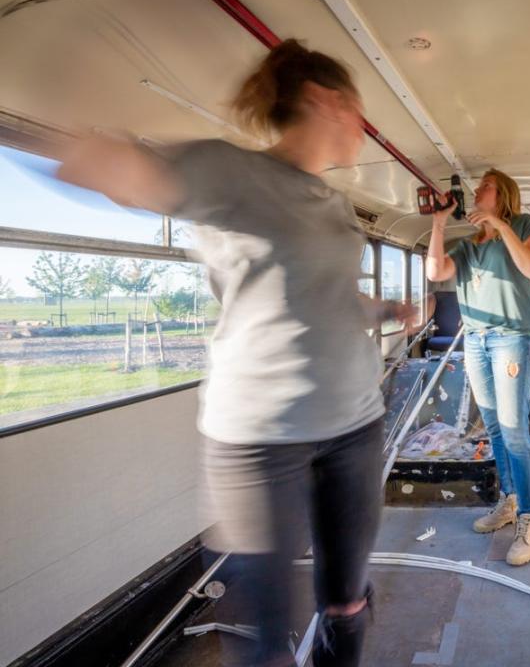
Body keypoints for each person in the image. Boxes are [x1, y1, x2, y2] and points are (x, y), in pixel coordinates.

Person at [58, 39, 417, 667]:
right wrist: (90, 133)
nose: (364, 127)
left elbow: (324, 296)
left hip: (354, 424)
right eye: (358, 109)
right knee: (266, 634)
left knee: (347, 601)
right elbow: (123, 175)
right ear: (324, 100)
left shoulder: (332, 202)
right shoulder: (230, 172)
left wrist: (385, 310)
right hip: (260, 437)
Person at [426, 169, 530, 566]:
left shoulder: (524, 226)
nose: (476, 192)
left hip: (511, 339)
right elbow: (435, 272)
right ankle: (509, 502)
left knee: (514, 430)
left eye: (485, 187)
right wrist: (439, 224)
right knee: (493, 427)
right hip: (475, 341)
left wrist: (500, 225)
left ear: (504, 194)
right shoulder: (466, 246)